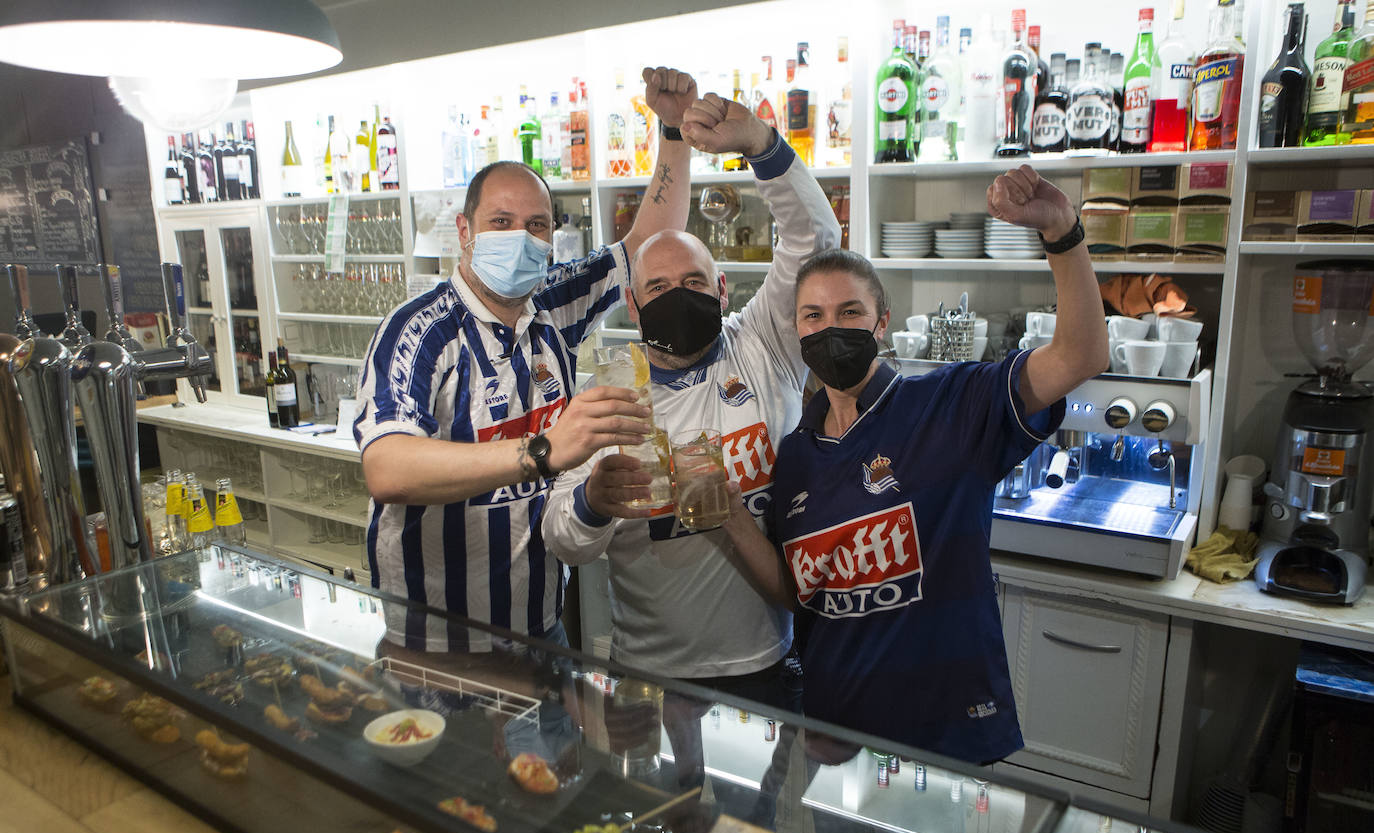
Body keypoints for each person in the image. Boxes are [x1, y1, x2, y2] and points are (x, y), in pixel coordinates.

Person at [722, 165, 1108, 765]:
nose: (830, 330)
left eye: (850, 313)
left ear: (882, 322)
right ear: (796, 330)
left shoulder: (949, 407)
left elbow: (1081, 355)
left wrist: (1062, 232)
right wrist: (723, 511)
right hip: (836, 738)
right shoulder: (796, 456)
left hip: (945, 740)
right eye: (813, 317)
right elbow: (797, 594)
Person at [354, 67, 698, 653]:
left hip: (541, 631)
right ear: (465, 231)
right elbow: (386, 468)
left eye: (536, 225)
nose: (522, 238)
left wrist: (672, 131)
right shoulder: (421, 331)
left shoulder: (553, 310)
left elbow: (646, 244)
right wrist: (541, 451)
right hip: (436, 646)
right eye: (501, 223)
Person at [541, 91, 840, 713]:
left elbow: (814, 238)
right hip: (649, 673)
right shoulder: (607, 396)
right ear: (633, 302)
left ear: (723, 288)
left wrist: (762, 144)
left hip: (767, 661)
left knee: (760, 816)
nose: (679, 296)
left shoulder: (763, 346)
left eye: (695, 283)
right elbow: (564, 541)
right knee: (660, 814)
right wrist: (594, 501)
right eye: (659, 287)